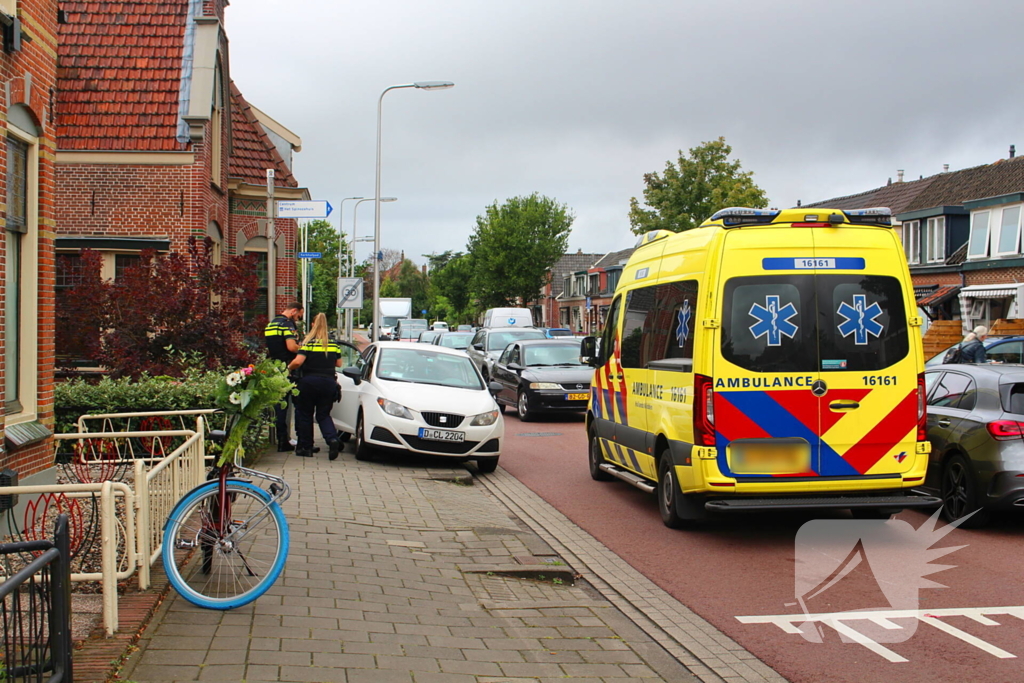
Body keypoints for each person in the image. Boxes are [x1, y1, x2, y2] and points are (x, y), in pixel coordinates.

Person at [288, 313, 343, 460]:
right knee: (323, 415)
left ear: (313, 325)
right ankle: (332, 439)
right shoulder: (333, 344)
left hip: (309, 382)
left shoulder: (308, 343)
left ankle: (306, 448)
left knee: (305, 414)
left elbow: (298, 362)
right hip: (328, 383)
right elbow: (339, 364)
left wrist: (289, 367)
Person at [264, 302, 303, 451]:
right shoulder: (287, 325)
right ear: (294, 311)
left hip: (274, 367)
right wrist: (304, 349)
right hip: (289, 368)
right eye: (299, 315)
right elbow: (291, 347)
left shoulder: (271, 324)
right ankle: (300, 441)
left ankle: (281, 440)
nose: (298, 318)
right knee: (298, 404)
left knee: (280, 406)